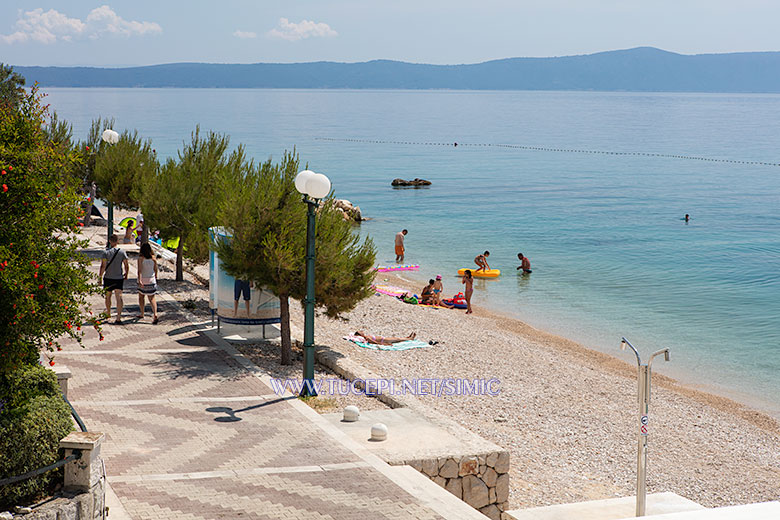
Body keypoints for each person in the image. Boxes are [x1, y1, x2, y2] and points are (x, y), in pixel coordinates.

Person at [98, 234, 129, 324]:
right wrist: (126, 274)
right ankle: (118, 317)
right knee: (119, 297)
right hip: (118, 277)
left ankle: (108, 313)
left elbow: (103, 266)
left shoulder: (106, 253)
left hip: (108, 277)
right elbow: (126, 265)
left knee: (108, 296)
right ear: (117, 241)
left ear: (110, 241)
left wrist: (100, 277)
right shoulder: (122, 252)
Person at [137, 242, 159, 324]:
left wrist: (139, 280)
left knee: (141, 297)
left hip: (143, 279)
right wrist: (156, 276)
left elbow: (139, 270)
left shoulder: (140, 258)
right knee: (152, 298)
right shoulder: (153, 258)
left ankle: (142, 313)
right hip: (151, 279)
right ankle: (155, 314)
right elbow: (155, 269)